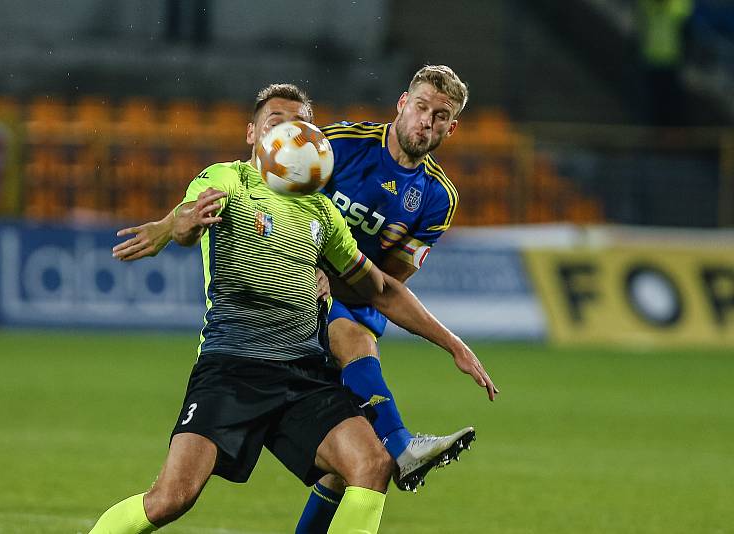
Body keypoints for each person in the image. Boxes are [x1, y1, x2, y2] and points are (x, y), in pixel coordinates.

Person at [89, 84, 496, 534]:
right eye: (275, 123)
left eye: (297, 125)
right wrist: (175, 224)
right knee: (171, 499)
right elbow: (191, 217)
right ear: (253, 135)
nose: (287, 132)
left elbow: (380, 289)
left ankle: (395, 445)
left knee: (371, 465)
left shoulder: (322, 210)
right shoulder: (229, 178)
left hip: (302, 373)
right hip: (232, 368)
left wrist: (453, 344)